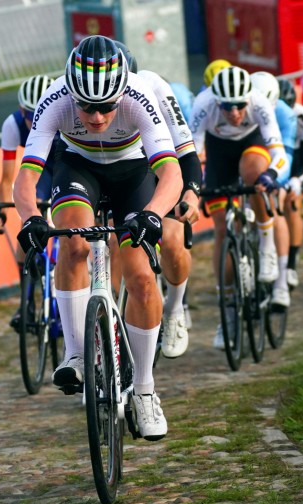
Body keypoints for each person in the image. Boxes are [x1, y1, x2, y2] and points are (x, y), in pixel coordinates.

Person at [13, 35, 185, 441]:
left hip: (132, 174)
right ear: (71, 93)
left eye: (106, 107)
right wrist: (30, 218)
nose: (95, 117)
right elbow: (27, 176)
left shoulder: (139, 97)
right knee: (72, 243)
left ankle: (144, 390)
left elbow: (171, 174)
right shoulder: (55, 99)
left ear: (120, 93)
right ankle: (75, 353)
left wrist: (152, 216)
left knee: (142, 278)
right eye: (86, 107)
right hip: (79, 169)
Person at [110, 40, 201, 360]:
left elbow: (186, 151)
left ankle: (175, 310)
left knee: (174, 240)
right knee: (110, 244)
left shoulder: (156, 89)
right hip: (121, 171)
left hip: (162, 170)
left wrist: (192, 191)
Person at [189, 66, 289, 346]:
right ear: (215, 101)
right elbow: (192, 155)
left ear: (249, 99)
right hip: (218, 153)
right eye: (227, 107)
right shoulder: (203, 105)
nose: (234, 113)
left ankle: (267, 248)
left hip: (251, 145)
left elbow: (278, 152)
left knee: (254, 175)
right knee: (222, 230)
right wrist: (193, 189)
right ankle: (228, 312)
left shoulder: (258, 103)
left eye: (239, 106)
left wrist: (272, 174)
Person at [0, 74, 56, 330]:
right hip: (37, 170)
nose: (35, 122)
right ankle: (27, 302)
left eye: (41, 115)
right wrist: (2, 210)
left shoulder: (65, 117)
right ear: (20, 110)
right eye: (30, 115)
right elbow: (7, 178)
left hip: (63, 164)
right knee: (25, 233)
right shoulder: (12, 125)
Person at [251, 71, 297, 305]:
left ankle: (281, 282)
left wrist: (275, 181)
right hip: (251, 157)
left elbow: (285, 157)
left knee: (275, 206)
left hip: (274, 163)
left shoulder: (284, 114)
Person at [279, 77, 303, 289]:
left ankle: (291, 263)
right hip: (275, 156)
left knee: (292, 205)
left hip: (297, 163)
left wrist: (296, 180)